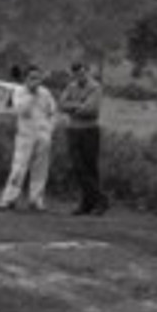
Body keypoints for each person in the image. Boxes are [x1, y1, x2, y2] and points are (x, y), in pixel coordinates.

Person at [0, 65, 56, 212]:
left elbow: (52, 111)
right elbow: (21, 110)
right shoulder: (19, 92)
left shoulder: (45, 93)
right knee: (19, 167)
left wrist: (49, 130)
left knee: (40, 169)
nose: (35, 80)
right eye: (32, 77)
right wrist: (31, 93)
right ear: (26, 78)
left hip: (43, 134)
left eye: (38, 77)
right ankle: (9, 199)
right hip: (25, 135)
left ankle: (36, 200)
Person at [59, 61, 108, 216]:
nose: (79, 76)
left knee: (90, 167)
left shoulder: (95, 87)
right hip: (73, 130)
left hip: (89, 130)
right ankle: (90, 201)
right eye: (75, 74)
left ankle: (98, 202)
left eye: (81, 73)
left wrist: (73, 107)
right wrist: (78, 105)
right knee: (78, 167)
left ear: (87, 71)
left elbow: (91, 109)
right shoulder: (71, 86)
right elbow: (61, 104)